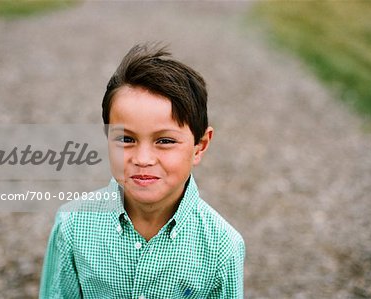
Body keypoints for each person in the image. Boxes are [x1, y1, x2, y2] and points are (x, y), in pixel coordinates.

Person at [40, 43, 245, 298]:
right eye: (126, 139)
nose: (143, 159)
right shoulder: (72, 226)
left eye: (165, 141)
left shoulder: (222, 247)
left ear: (199, 147)